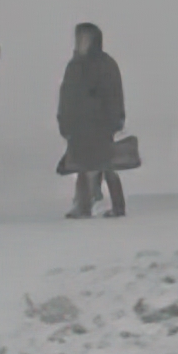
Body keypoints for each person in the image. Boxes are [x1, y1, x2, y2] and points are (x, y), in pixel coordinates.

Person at [57, 22, 127, 218]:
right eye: (79, 38)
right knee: (82, 166)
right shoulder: (74, 65)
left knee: (106, 165)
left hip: (99, 126)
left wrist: (115, 120)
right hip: (79, 127)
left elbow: (114, 95)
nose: (81, 43)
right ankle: (83, 205)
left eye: (85, 38)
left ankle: (117, 205)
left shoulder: (105, 64)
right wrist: (64, 121)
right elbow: (66, 96)